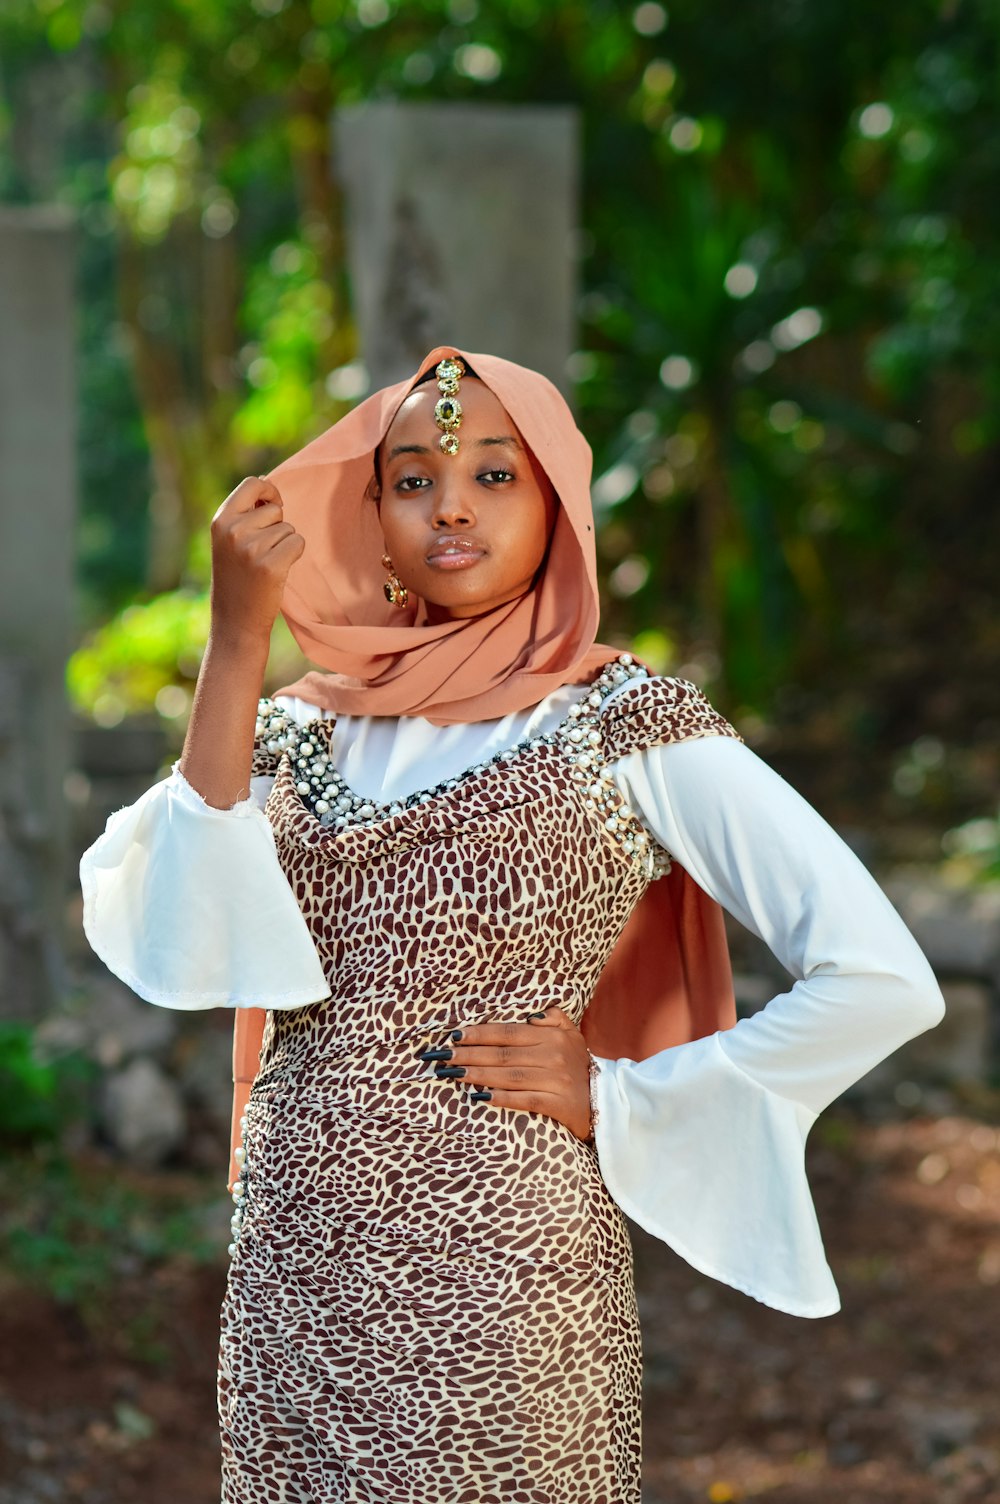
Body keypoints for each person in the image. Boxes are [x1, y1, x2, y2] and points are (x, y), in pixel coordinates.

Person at [80, 347, 945, 1504]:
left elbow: (882, 974)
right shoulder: (293, 729)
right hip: (293, 1267)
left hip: (503, 1269)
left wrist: (619, 1096)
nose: (451, 507)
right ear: (370, 515)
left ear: (557, 505)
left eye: (496, 476)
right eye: (411, 478)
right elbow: (182, 934)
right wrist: (238, 637)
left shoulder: (621, 719)